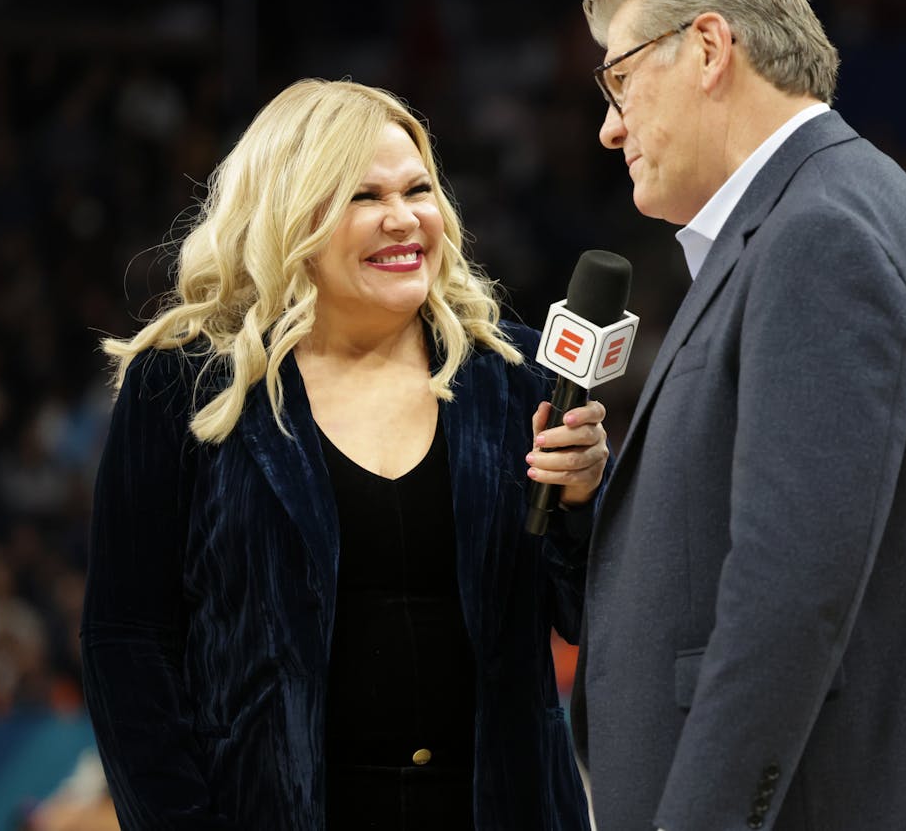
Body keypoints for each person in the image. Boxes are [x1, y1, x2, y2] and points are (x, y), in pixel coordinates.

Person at [573, 0, 906, 831]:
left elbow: (790, 589)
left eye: (619, 79)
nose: (610, 123)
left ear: (710, 48)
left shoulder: (819, 233)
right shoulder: (825, 211)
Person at [79, 79, 603, 830]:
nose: (403, 220)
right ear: (290, 218)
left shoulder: (518, 377)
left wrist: (584, 500)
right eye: (363, 197)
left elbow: (586, 613)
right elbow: (126, 641)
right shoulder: (185, 384)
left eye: (418, 189)